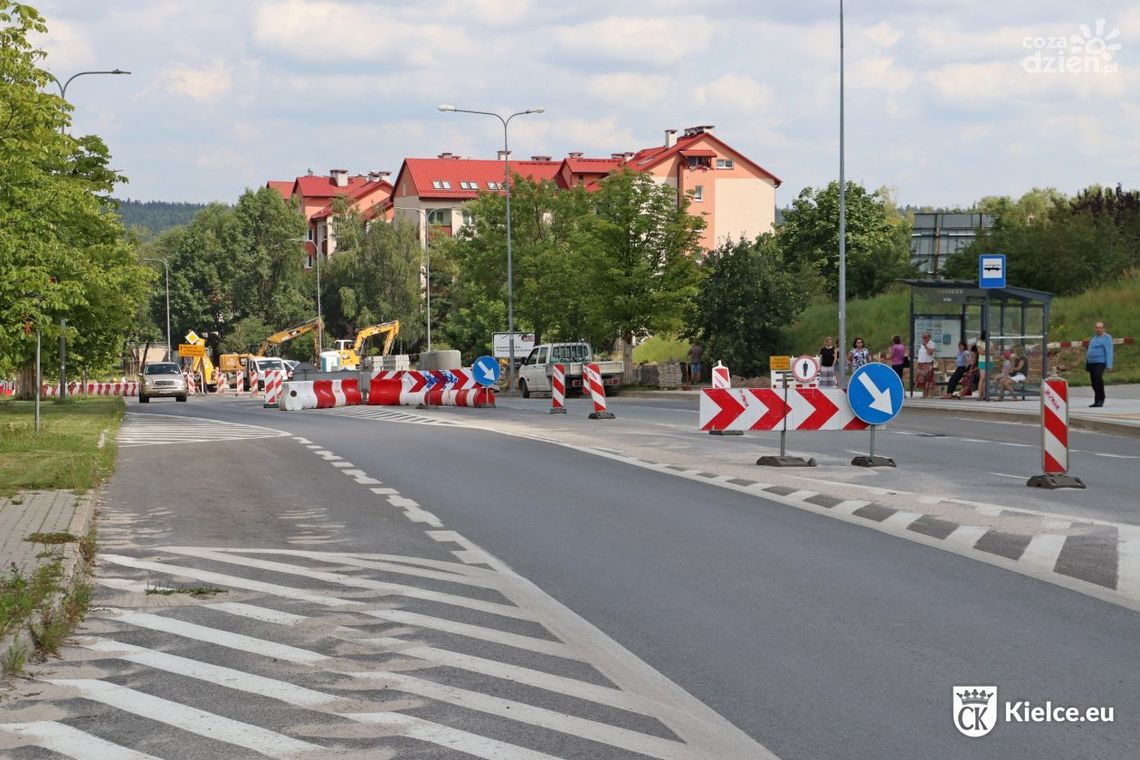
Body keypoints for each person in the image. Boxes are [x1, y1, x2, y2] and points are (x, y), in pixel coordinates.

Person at [1085, 321, 1114, 407]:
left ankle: (1101, 399)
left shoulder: (1107, 338)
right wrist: (1087, 363)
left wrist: (1109, 365)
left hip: (1100, 362)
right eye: (1097, 328)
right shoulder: (1094, 338)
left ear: (1103, 329)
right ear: (1095, 329)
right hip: (1091, 363)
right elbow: (1089, 351)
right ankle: (1096, 400)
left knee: (1098, 378)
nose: (1098, 329)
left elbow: (1109, 352)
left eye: (1100, 328)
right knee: (1094, 382)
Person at [916, 331, 937, 398]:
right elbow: (921, 355)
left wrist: (926, 346)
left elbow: (930, 353)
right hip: (921, 363)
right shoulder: (922, 344)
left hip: (928, 363)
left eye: (925, 337)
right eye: (923, 337)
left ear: (929, 337)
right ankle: (924, 393)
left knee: (928, 379)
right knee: (922, 379)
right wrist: (918, 363)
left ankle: (927, 394)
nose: (924, 338)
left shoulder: (932, 344)